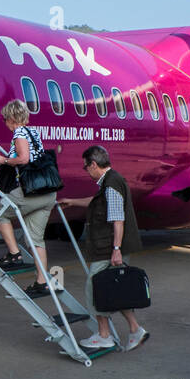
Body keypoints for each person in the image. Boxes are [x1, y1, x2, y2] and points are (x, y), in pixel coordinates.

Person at [58, 145, 147, 350]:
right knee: (115, 289)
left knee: (94, 287)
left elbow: (117, 219)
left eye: (85, 167)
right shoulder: (111, 181)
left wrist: (116, 249)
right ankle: (135, 329)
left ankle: (104, 335)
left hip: (109, 247)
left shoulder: (111, 184)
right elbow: (99, 202)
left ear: (94, 164)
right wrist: (73, 202)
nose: (85, 171)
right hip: (112, 246)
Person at [0, 100, 57, 297]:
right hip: (48, 193)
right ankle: (42, 281)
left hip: (32, 191)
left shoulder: (19, 134)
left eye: (5, 119)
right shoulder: (33, 133)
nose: (4, 122)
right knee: (36, 239)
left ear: (11, 118)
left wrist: (4, 160)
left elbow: (24, 159)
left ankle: (14, 254)